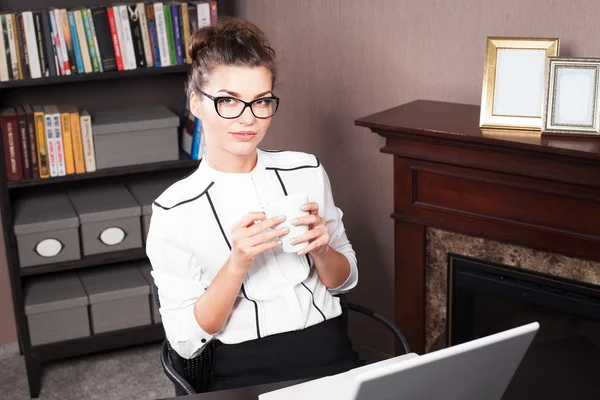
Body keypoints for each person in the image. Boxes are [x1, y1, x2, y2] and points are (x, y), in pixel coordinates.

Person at [146, 17, 362, 392]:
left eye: (261, 101)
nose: (248, 118)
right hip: (241, 368)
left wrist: (324, 250)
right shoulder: (174, 211)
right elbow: (184, 340)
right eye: (228, 100)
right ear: (196, 102)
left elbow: (344, 282)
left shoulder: (306, 170)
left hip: (330, 347)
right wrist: (236, 265)